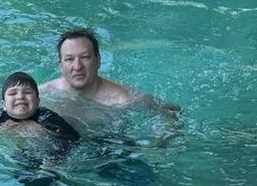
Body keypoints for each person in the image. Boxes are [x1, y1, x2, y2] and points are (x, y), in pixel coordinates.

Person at [41, 28, 180, 120]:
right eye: (69, 59)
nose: (77, 66)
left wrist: (160, 139)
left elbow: (171, 111)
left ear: (98, 60)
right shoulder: (44, 93)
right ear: (60, 65)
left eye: (85, 57)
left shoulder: (122, 99)